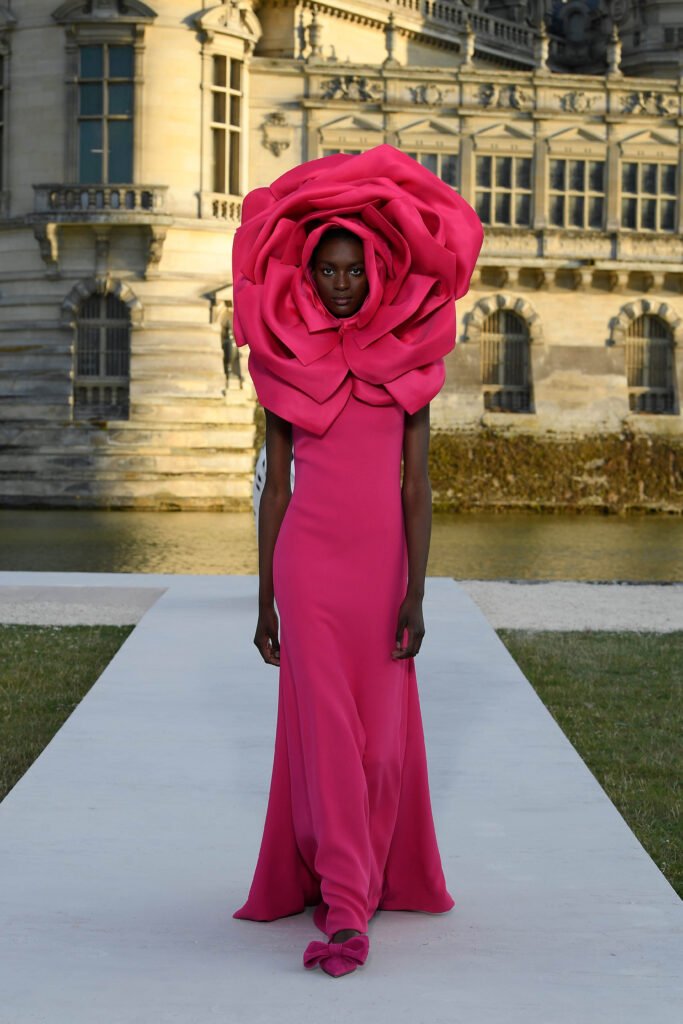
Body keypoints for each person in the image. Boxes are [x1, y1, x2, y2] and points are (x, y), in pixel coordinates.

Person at [231, 145, 483, 979]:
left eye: (352, 269)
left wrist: (417, 593)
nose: (340, 283)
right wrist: (264, 601)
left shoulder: (410, 364)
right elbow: (275, 491)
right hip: (307, 568)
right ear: (307, 275)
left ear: (375, 271)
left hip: (380, 574)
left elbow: (418, 487)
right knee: (329, 737)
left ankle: (365, 868)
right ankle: (345, 904)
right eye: (326, 270)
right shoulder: (283, 362)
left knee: (378, 746)